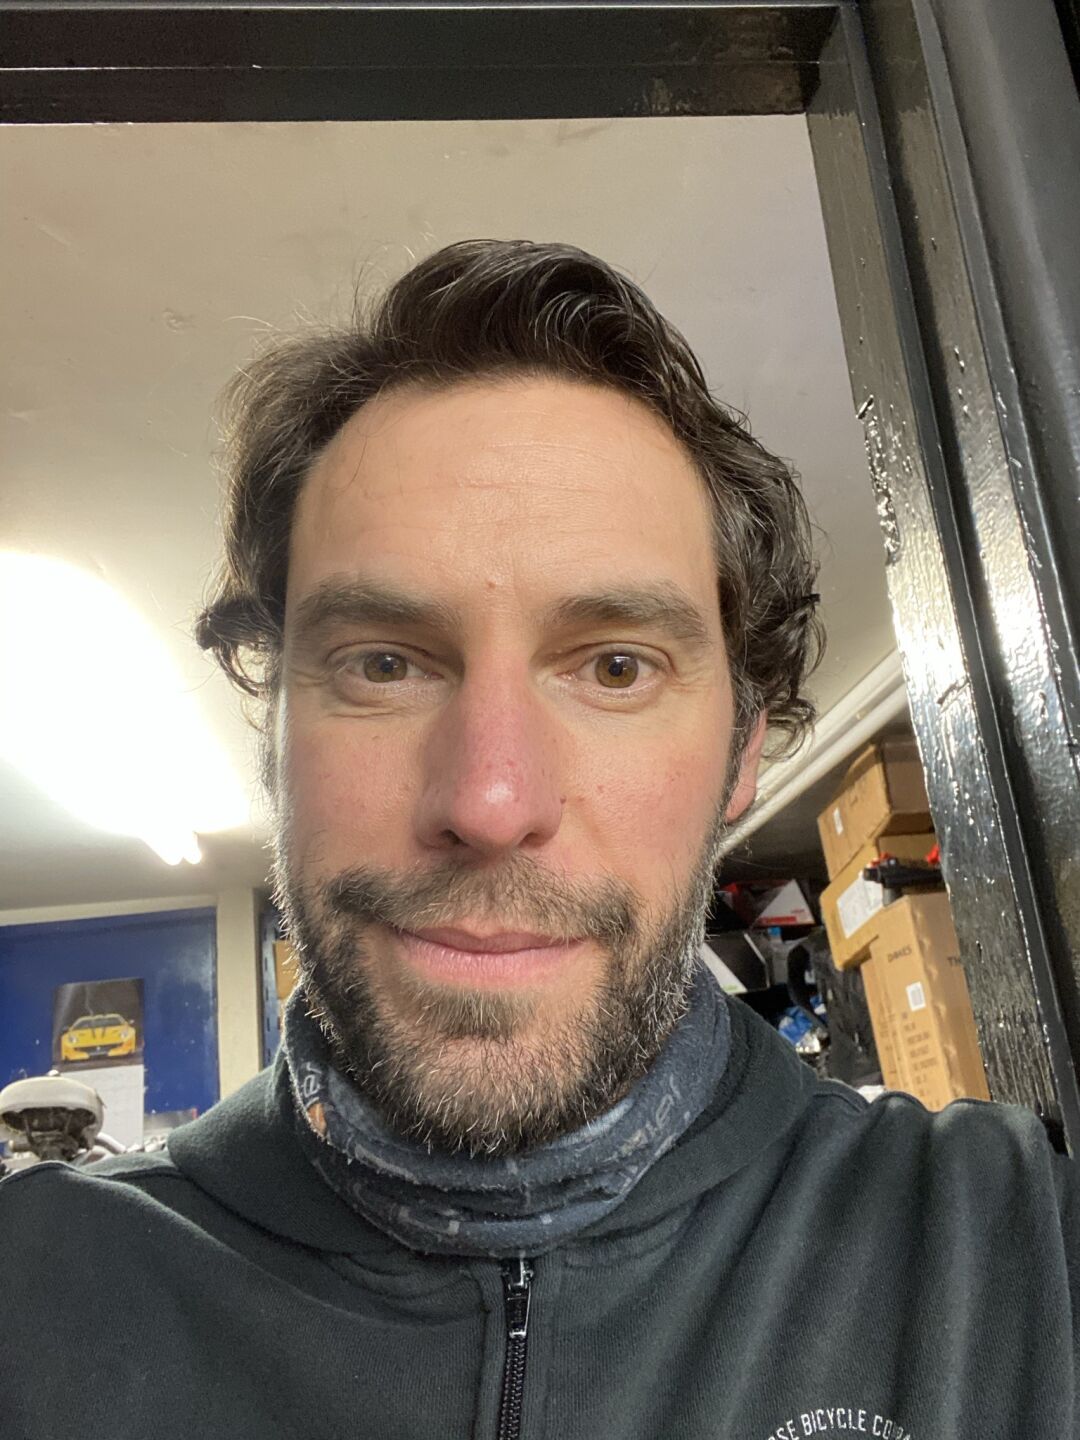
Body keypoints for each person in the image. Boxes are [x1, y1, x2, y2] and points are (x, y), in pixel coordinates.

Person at [1, 240, 1076, 1440]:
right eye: (383, 664)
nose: (491, 800)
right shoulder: (33, 1298)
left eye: (615, 666)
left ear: (742, 751)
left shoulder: (1019, 1251)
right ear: (276, 731)